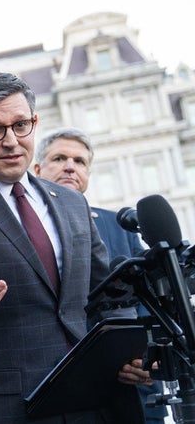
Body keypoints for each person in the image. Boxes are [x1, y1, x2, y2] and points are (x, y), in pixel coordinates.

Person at [0, 72, 151, 423]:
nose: (11, 141)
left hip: (95, 401)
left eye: (21, 125)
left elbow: (109, 296)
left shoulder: (72, 203)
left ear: (34, 123)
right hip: (5, 408)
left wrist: (128, 353)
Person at [34, 126, 168, 423]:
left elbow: (148, 307)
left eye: (80, 162)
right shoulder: (21, 226)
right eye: (60, 158)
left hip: (129, 393)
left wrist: (149, 362)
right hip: (56, 392)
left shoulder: (122, 226)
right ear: (37, 169)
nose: (70, 166)